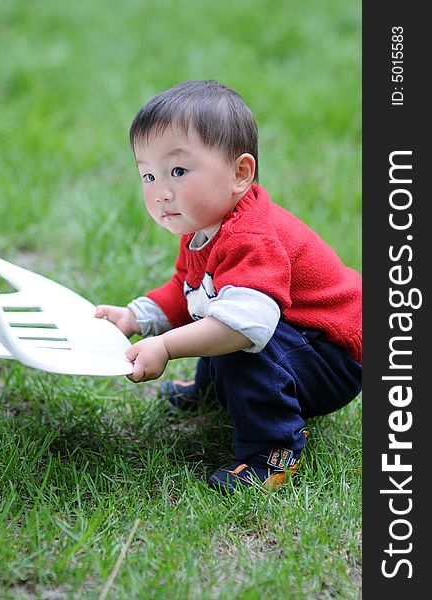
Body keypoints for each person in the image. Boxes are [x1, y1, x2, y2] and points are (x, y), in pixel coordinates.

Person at [95, 80, 362, 494]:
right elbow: (187, 290)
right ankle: (213, 388)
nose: (161, 193)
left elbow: (244, 326)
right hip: (298, 337)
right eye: (148, 175)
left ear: (240, 174)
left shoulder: (251, 237)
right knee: (216, 307)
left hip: (334, 354)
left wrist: (165, 347)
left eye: (178, 171)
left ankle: (273, 449)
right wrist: (136, 316)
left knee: (237, 334)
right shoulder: (203, 229)